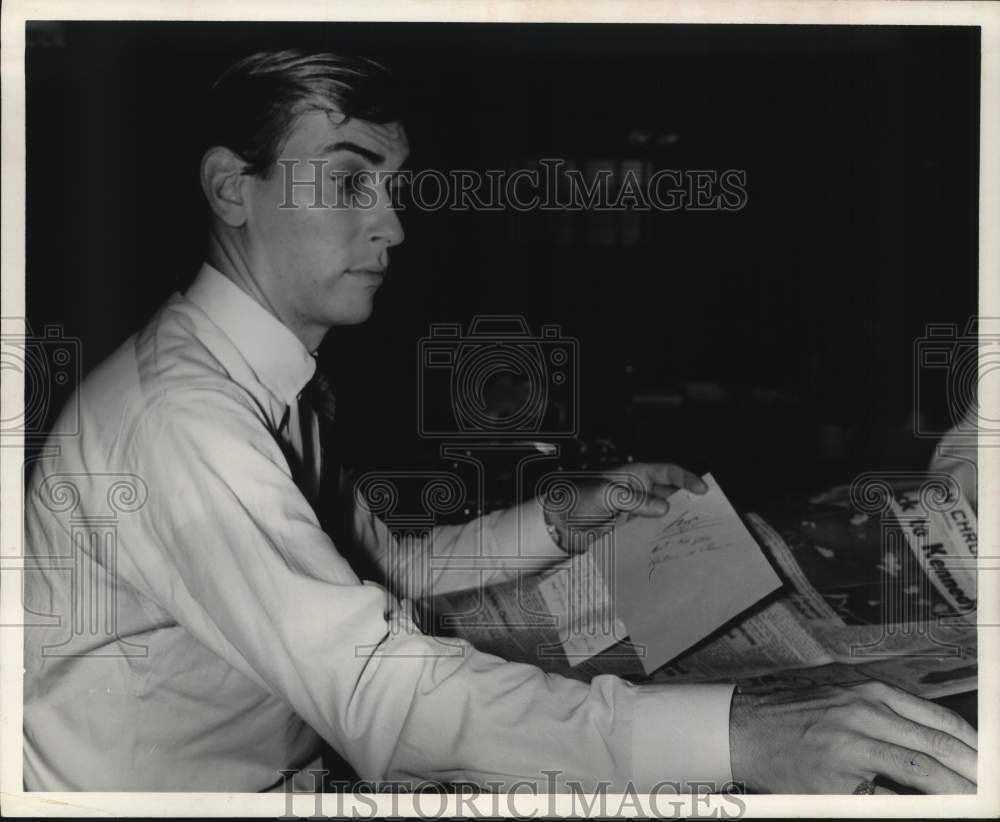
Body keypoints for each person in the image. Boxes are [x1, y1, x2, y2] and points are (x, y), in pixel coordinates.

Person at [23, 49, 977, 795]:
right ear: (233, 187)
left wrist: (561, 520)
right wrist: (738, 735)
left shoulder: (266, 380)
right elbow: (376, 687)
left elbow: (384, 576)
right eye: (351, 183)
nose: (393, 226)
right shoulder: (184, 417)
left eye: (394, 188)